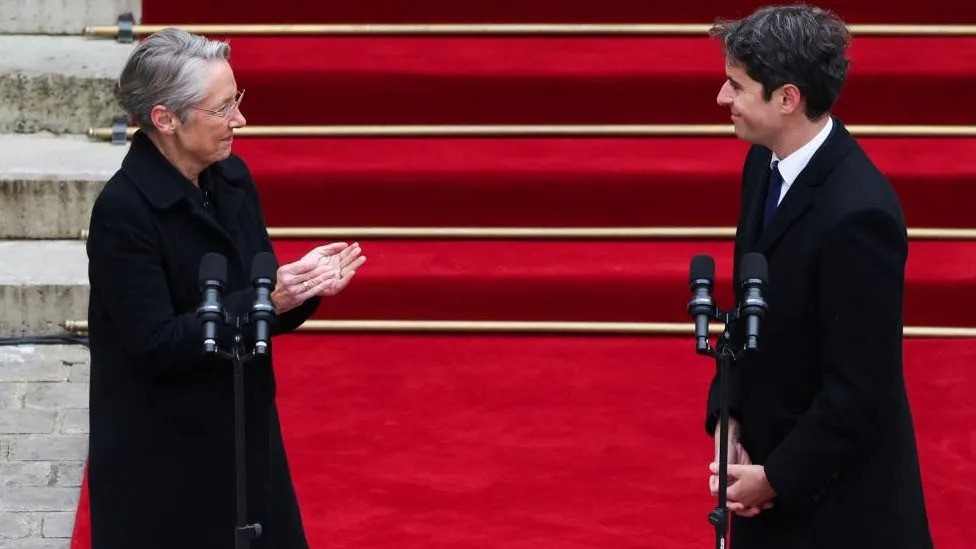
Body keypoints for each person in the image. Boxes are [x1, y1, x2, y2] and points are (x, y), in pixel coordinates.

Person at [86, 28, 366, 548]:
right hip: (165, 460)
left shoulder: (231, 178)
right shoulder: (123, 212)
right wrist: (267, 299)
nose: (240, 119)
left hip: (246, 435)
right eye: (222, 108)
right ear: (165, 119)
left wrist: (299, 288)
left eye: (237, 99)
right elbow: (154, 344)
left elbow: (260, 296)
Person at [703, 4, 932, 548]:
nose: (722, 97)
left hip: (836, 512)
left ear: (787, 98)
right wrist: (727, 417)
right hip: (766, 486)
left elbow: (861, 386)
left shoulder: (860, 216)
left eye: (737, 85)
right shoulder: (763, 163)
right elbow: (749, 309)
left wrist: (777, 479)